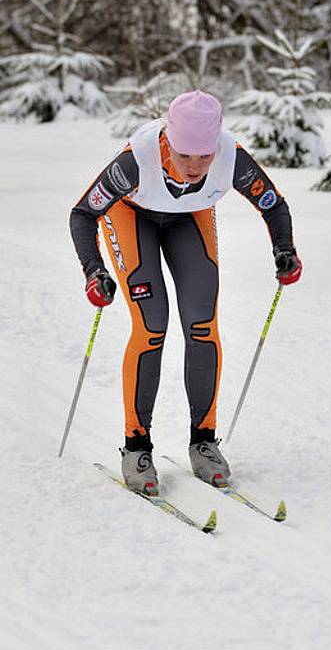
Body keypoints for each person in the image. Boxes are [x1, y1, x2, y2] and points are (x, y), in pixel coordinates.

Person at [70, 90, 302, 496]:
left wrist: (284, 249)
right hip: (131, 215)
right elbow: (84, 213)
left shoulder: (232, 158)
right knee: (151, 325)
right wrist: (94, 271)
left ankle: (204, 441)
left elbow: (274, 206)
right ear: (168, 141)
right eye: (184, 156)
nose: (194, 167)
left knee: (202, 324)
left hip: (189, 219)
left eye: (204, 157)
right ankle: (136, 446)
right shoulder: (135, 161)